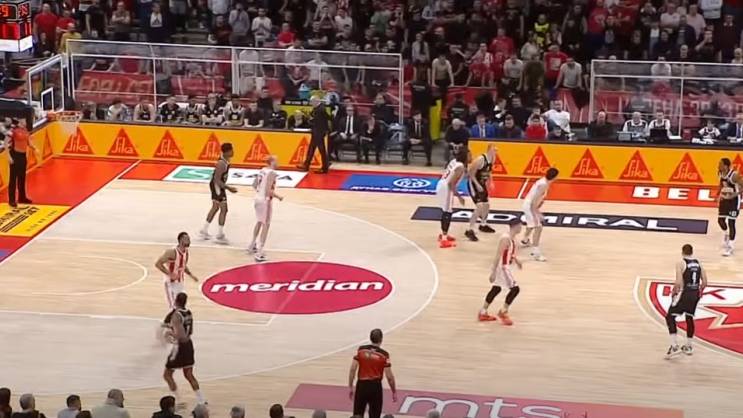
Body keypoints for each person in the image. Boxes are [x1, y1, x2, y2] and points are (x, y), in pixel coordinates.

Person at [162, 293, 206, 405]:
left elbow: (180, 335)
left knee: (167, 374)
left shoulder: (176, 315)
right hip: (189, 345)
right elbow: (189, 331)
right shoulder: (188, 313)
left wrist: (169, 333)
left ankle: (178, 401)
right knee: (189, 374)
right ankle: (201, 400)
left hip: (180, 347)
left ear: (176, 301)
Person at [665, 244, 707, 359]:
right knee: (689, 317)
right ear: (692, 252)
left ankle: (674, 346)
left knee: (670, 317)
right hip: (695, 294)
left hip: (684, 293)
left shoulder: (681, 263)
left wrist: (674, 291)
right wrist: (699, 291)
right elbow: (704, 282)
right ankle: (688, 346)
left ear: (682, 252)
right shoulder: (699, 263)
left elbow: (678, 281)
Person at [478, 218, 523, 324]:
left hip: (504, 266)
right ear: (515, 226)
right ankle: (503, 311)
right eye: (520, 226)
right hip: (502, 267)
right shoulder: (505, 239)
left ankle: (483, 312)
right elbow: (498, 254)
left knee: (496, 289)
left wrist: (516, 260)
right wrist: (493, 272)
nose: (521, 228)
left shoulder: (512, 238)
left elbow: (509, 252)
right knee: (515, 289)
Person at [347, 329, 397, 418]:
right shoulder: (384, 355)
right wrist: (394, 391)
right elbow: (389, 377)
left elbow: (352, 369)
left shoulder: (361, 350)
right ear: (381, 339)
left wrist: (350, 386)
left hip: (361, 386)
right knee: (375, 415)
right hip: (375, 387)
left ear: (370, 338)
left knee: (357, 414)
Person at [247, 156, 284, 262]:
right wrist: (278, 196)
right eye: (276, 160)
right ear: (271, 162)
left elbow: (254, 185)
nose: (278, 162)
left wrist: (260, 192)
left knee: (259, 221)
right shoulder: (272, 173)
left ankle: (252, 244)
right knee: (266, 224)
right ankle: (260, 252)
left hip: (257, 198)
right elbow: (268, 191)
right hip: (265, 200)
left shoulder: (262, 170)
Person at [199, 143, 237, 243]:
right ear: (227, 152)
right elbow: (217, 179)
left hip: (218, 185)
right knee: (224, 209)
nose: (233, 152)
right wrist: (229, 188)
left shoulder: (226, 160)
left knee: (215, 207)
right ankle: (219, 235)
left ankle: (204, 230)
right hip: (217, 186)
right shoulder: (221, 163)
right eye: (232, 150)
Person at [521, 167, 559, 261]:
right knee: (538, 228)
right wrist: (537, 213)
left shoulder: (543, 181)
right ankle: (536, 254)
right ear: (554, 177)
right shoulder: (543, 185)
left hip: (528, 205)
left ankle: (525, 240)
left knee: (531, 225)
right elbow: (533, 202)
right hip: (530, 206)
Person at [155, 232, 199, 308]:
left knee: (182, 306)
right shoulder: (171, 252)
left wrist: (191, 275)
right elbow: (158, 264)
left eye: (189, 239)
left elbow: (183, 266)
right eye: (187, 239)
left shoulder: (186, 252)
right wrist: (170, 274)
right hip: (170, 283)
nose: (189, 241)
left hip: (180, 283)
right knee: (174, 307)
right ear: (181, 240)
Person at [1, 118, 38, 207]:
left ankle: (22, 197)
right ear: (21, 121)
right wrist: (8, 156)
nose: (26, 122)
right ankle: (12, 200)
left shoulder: (26, 130)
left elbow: (28, 142)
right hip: (15, 155)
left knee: (22, 177)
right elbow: (5, 143)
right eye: (24, 120)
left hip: (23, 155)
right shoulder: (13, 130)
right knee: (13, 178)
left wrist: (35, 148)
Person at [435, 147, 467, 248]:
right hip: (446, 187)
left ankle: (444, 235)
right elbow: (451, 184)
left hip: (441, 183)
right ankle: (444, 240)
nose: (472, 157)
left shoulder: (454, 161)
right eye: (470, 155)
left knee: (446, 211)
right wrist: (459, 197)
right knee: (447, 212)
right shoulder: (460, 167)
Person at [465, 144, 497, 242]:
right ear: (489, 150)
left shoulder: (493, 159)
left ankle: (483, 224)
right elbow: (470, 173)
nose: (496, 151)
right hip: (473, 183)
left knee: (486, 204)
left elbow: (489, 171)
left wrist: (491, 182)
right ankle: (470, 229)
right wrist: (477, 184)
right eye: (494, 149)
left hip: (481, 183)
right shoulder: (480, 159)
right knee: (479, 206)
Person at [718, 158, 743, 256]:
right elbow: (721, 184)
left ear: (726, 166)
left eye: (720, 164)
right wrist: (718, 193)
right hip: (724, 199)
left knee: (731, 223)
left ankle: (730, 247)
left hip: (734, 201)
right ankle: (726, 234)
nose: (718, 166)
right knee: (720, 221)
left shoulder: (734, 175)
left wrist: (734, 195)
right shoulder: (720, 173)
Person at [299, 96, 330, 173]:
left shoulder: (320, 109)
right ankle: (306, 165)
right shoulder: (317, 108)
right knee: (311, 149)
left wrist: (309, 118)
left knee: (321, 150)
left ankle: (324, 167)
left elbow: (316, 121)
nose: (311, 103)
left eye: (311, 102)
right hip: (316, 131)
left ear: (316, 101)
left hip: (319, 132)